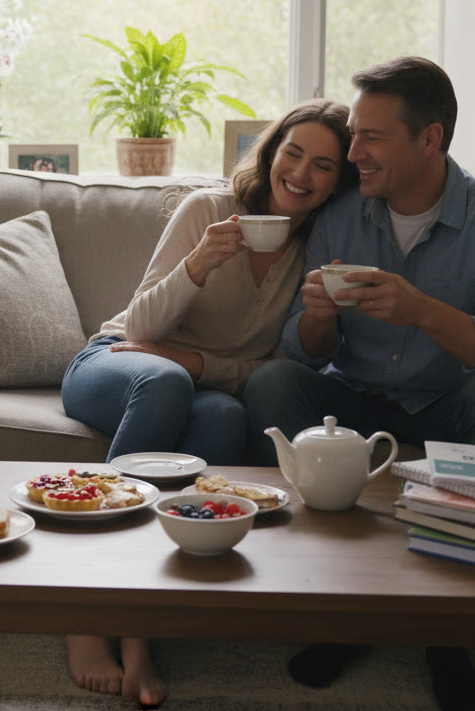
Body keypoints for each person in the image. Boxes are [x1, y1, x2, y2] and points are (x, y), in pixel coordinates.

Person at [244, 57, 475, 711]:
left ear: (429, 139)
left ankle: (450, 637)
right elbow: (303, 350)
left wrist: (424, 312)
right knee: (273, 384)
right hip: (356, 402)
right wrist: (319, 318)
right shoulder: (342, 215)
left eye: (371, 137)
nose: (353, 152)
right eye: (354, 134)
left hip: (451, 405)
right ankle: (342, 613)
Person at [60, 99, 358, 708]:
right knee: (166, 382)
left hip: (206, 387)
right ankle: (84, 608)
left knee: (225, 416)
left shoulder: (317, 249)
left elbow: (280, 370)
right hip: (117, 362)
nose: (301, 173)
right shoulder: (208, 209)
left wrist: (199, 364)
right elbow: (139, 327)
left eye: (323, 165)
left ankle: (143, 624)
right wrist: (197, 265)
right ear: (272, 154)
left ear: (338, 182)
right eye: (293, 153)